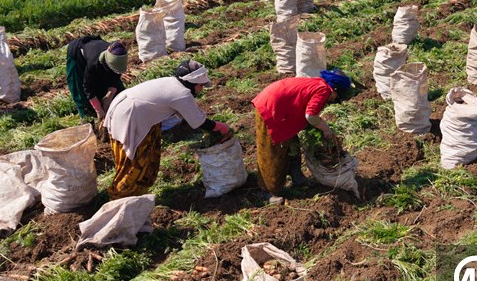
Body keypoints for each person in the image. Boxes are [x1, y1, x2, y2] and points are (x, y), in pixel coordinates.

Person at [103, 60, 230, 198]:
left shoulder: (171, 82)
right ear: (192, 83)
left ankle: (137, 196)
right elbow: (199, 122)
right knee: (134, 164)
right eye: (201, 85)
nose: (202, 89)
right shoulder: (182, 93)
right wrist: (221, 127)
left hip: (128, 110)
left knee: (147, 159)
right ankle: (120, 199)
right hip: (130, 117)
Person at [252, 69, 351, 203]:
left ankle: (297, 177)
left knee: (292, 144)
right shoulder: (324, 90)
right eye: (336, 96)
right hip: (270, 108)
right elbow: (310, 116)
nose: (333, 100)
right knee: (271, 151)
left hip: (281, 108)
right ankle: (267, 191)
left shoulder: (319, 84)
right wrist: (326, 129)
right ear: (334, 89)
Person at [65, 37, 127, 121]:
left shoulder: (117, 53)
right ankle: (87, 117)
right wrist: (98, 110)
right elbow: (87, 87)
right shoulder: (93, 63)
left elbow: (116, 74)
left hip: (95, 47)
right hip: (77, 53)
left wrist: (109, 95)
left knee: (117, 90)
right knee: (81, 91)